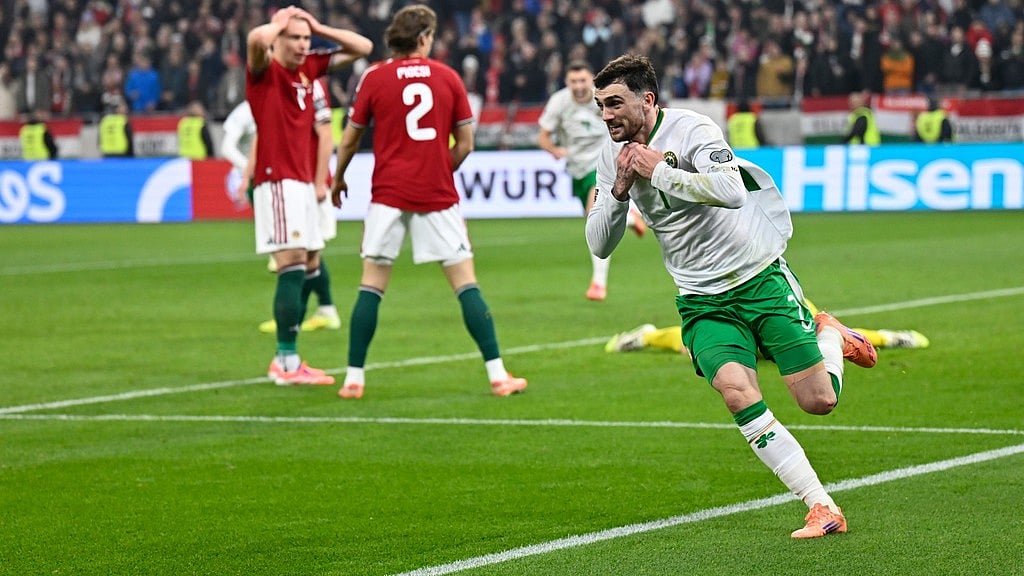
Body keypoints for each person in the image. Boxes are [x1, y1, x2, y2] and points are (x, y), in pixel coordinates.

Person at [586, 54, 876, 539]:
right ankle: (821, 505)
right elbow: (598, 243)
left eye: (614, 103)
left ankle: (831, 335)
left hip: (758, 278)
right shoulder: (608, 157)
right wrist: (619, 188)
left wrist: (659, 172)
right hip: (701, 299)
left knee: (818, 401)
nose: (606, 115)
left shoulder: (693, 129)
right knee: (736, 391)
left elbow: (730, 190)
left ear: (647, 100)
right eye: (601, 106)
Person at [331, 4, 527, 400]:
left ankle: (353, 378)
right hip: (436, 195)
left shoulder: (374, 77)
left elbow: (350, 139)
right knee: (465, 283)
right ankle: (497, 375)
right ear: (423, 38)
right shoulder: (447, 77)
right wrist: (437, 168)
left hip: (388, 193)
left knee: (371, 285)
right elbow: (466, 144)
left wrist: (338, 179)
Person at [247, 5, 373, 386]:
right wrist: (280, 23)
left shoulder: (310, 69)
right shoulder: (265, 71)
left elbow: (363, 47)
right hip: (278, 179)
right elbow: (256, 39)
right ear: (278, 39)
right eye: (295, 38)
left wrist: (318, 27)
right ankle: (286, 363)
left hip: (301, 181)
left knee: (303, 263)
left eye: (306, 39)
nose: (303, 45)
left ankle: (287, 359)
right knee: (292, 263)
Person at [537, 59, 646, 302]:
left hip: (601, 164)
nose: (578, 86)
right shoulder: (559, 102)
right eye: (573, 81)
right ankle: (630, 217)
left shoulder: (604, 98)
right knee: (595, 216)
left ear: (591, 80)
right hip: (576, 168)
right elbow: (543, 136)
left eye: (583, 80)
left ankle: (598, 283)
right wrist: (555, 150)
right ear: (567, 82)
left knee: (594, 218)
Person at [256, 76, 342, 334]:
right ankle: (320, 311)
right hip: (291, 182)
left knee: (302, 254)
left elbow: (326, 135)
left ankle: (292, 319)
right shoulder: (279, 83)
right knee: (306, 253)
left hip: (308, 182)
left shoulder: (312, 85)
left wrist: (319, 182)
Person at [606, 298, 931, 353]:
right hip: (751, 327)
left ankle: (890, 338)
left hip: (778, 311)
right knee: (692, 346)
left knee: (824, 335)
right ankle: (646, 337)